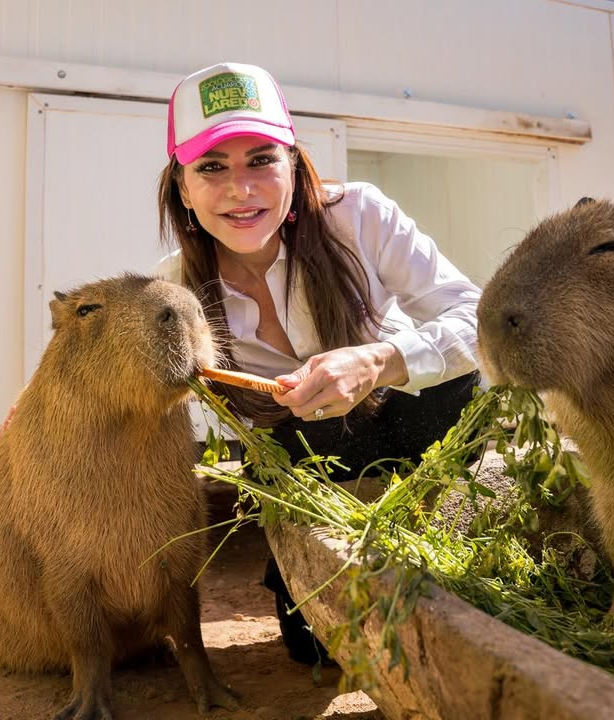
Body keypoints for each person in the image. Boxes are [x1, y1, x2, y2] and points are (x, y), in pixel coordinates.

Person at [156, 62, 481, 665]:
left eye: (261, 160)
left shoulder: (360, 215)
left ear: (292, 163)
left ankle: (444, 526)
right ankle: (313, 563)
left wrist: (381, 360)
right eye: (212, 167)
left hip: (411, 428)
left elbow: (476, 318)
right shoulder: (174, 288)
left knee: (466, 382)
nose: (241, 189)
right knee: (316, 650)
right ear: (182, 187)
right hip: (309, 467)